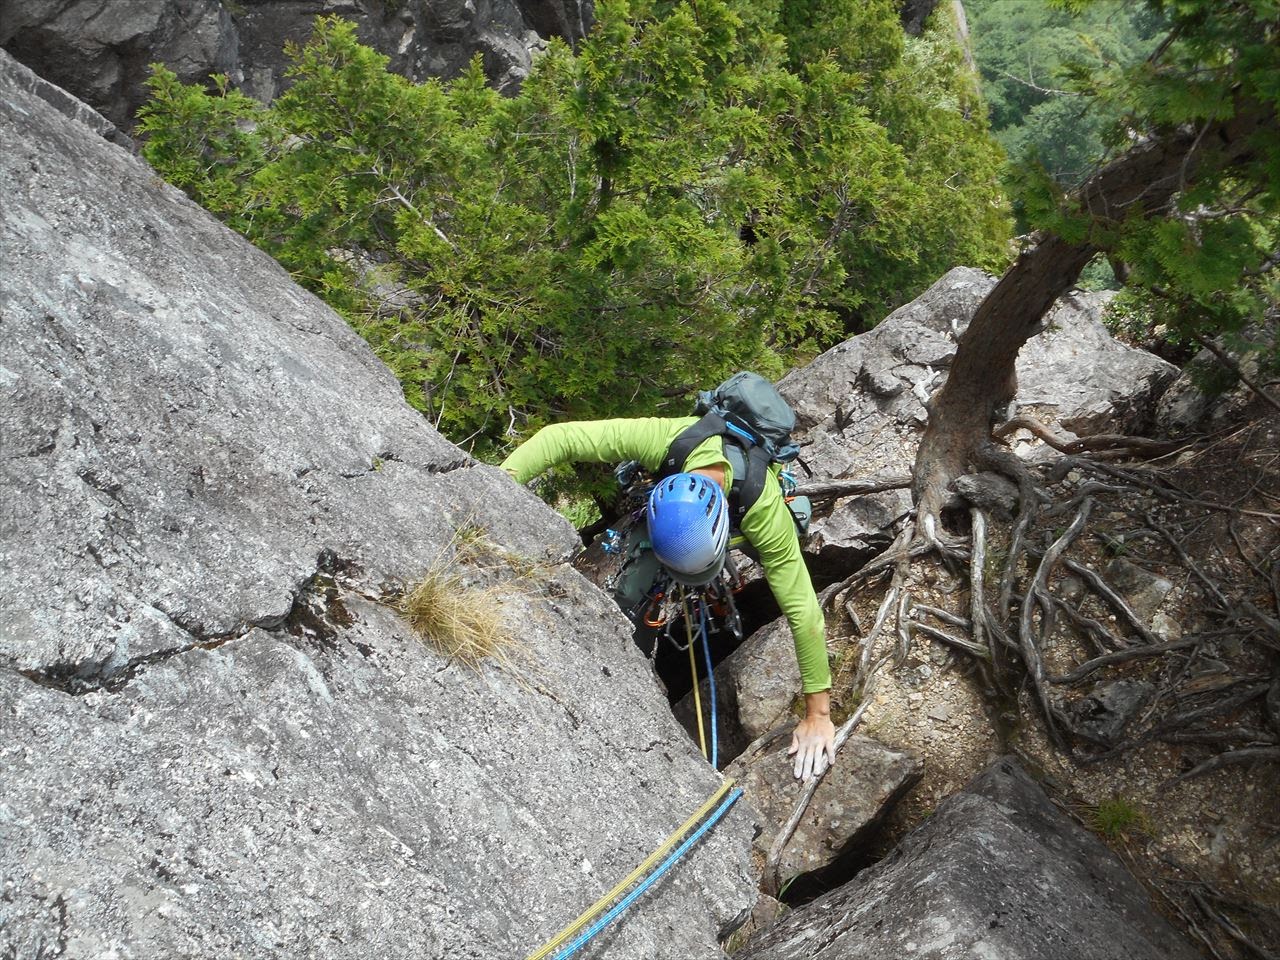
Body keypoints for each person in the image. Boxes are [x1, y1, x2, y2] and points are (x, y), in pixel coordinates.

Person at [501, 416, 836, 781]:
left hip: (745, 511)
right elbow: (559, 437)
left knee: (782, 571)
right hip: (673, 520)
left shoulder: (764, 512)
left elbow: (804, 613)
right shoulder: (666, 439)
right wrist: (487, 486)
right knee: (631, 590)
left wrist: (818, 715)